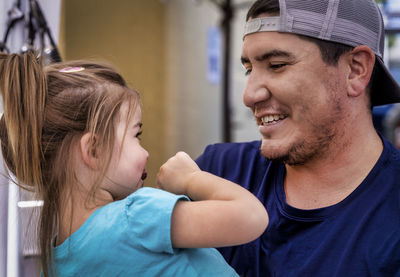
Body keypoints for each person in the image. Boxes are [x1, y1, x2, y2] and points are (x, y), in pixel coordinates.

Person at [0, 52, 268, 277]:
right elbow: (252, 219)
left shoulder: (58, 260)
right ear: (93, 150)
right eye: (136, 135)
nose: (146, 152)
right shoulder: (136, 217)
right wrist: (189, 180)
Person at [196, 0, 400, 276]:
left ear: (355, 69)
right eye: (249, 69)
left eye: (277, 65)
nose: (249, 95)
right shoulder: (216, 174)